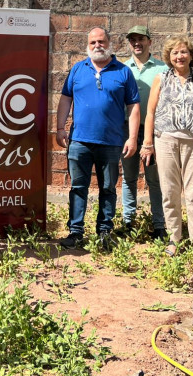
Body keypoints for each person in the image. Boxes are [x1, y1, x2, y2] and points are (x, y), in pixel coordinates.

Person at [56, 27, 140, 251]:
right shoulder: (77, 69)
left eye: (101, 41)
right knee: (78, 187)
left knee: (108, 188)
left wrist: (132, 137)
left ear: (109, 43)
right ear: (87, 45)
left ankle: (105, 231)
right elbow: (65, 99)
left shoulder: (123, 71)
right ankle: (75, 232)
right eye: (92, 42)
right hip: (79, 140)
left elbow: (133, 107)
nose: (97, 46)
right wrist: (59, 128)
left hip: (112, 142)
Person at [140, 35, 193, 256]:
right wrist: (147, 144)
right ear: (169, 56)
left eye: (183, 52)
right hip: (165, 141)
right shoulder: (161, 78)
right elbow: (151, 112)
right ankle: (174, 239)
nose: (179, 56)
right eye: (175, 52)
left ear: (191, 55)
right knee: (170, 192)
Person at [120, 26, 168, 239]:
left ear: (150, 41)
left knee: (154, 179)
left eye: (141, 39)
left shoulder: (162, 68)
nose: (136, 43)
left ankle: (159, 225)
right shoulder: (122, 68)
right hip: (127, 130)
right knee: (128, 177)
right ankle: (128, 222)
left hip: (153, 131)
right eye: (133, 40)